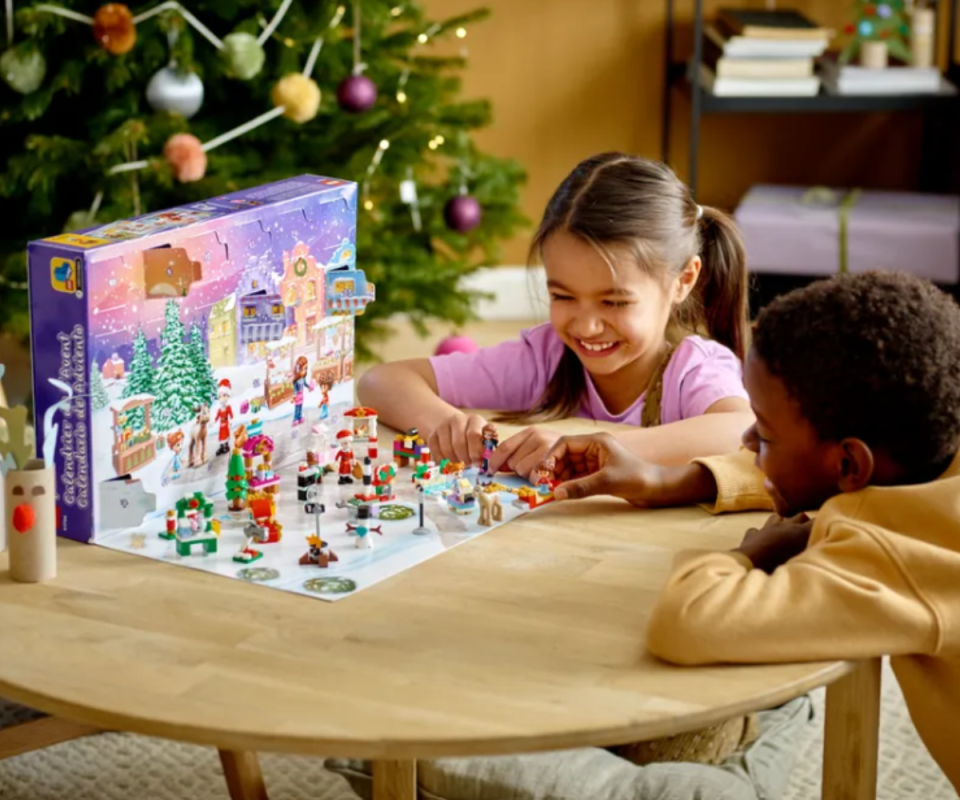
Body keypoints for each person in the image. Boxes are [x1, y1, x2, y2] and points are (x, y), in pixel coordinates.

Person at [542, 271, 960, 790]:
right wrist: (675, 479)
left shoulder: (888, 551)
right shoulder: (931, 454)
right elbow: (815, 476)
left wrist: (751, 553)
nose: (745, 441)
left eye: (763, 432)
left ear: (851, 466)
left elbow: (688, 620)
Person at [358, 154, 753, 480]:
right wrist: (446, 425)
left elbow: (740, 429)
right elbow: (381, 381)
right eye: (562, 295)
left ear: (683, 280)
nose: (586, 326)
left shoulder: (692, 370)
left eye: (614, 302)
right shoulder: (543, 359)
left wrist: (595, 449)